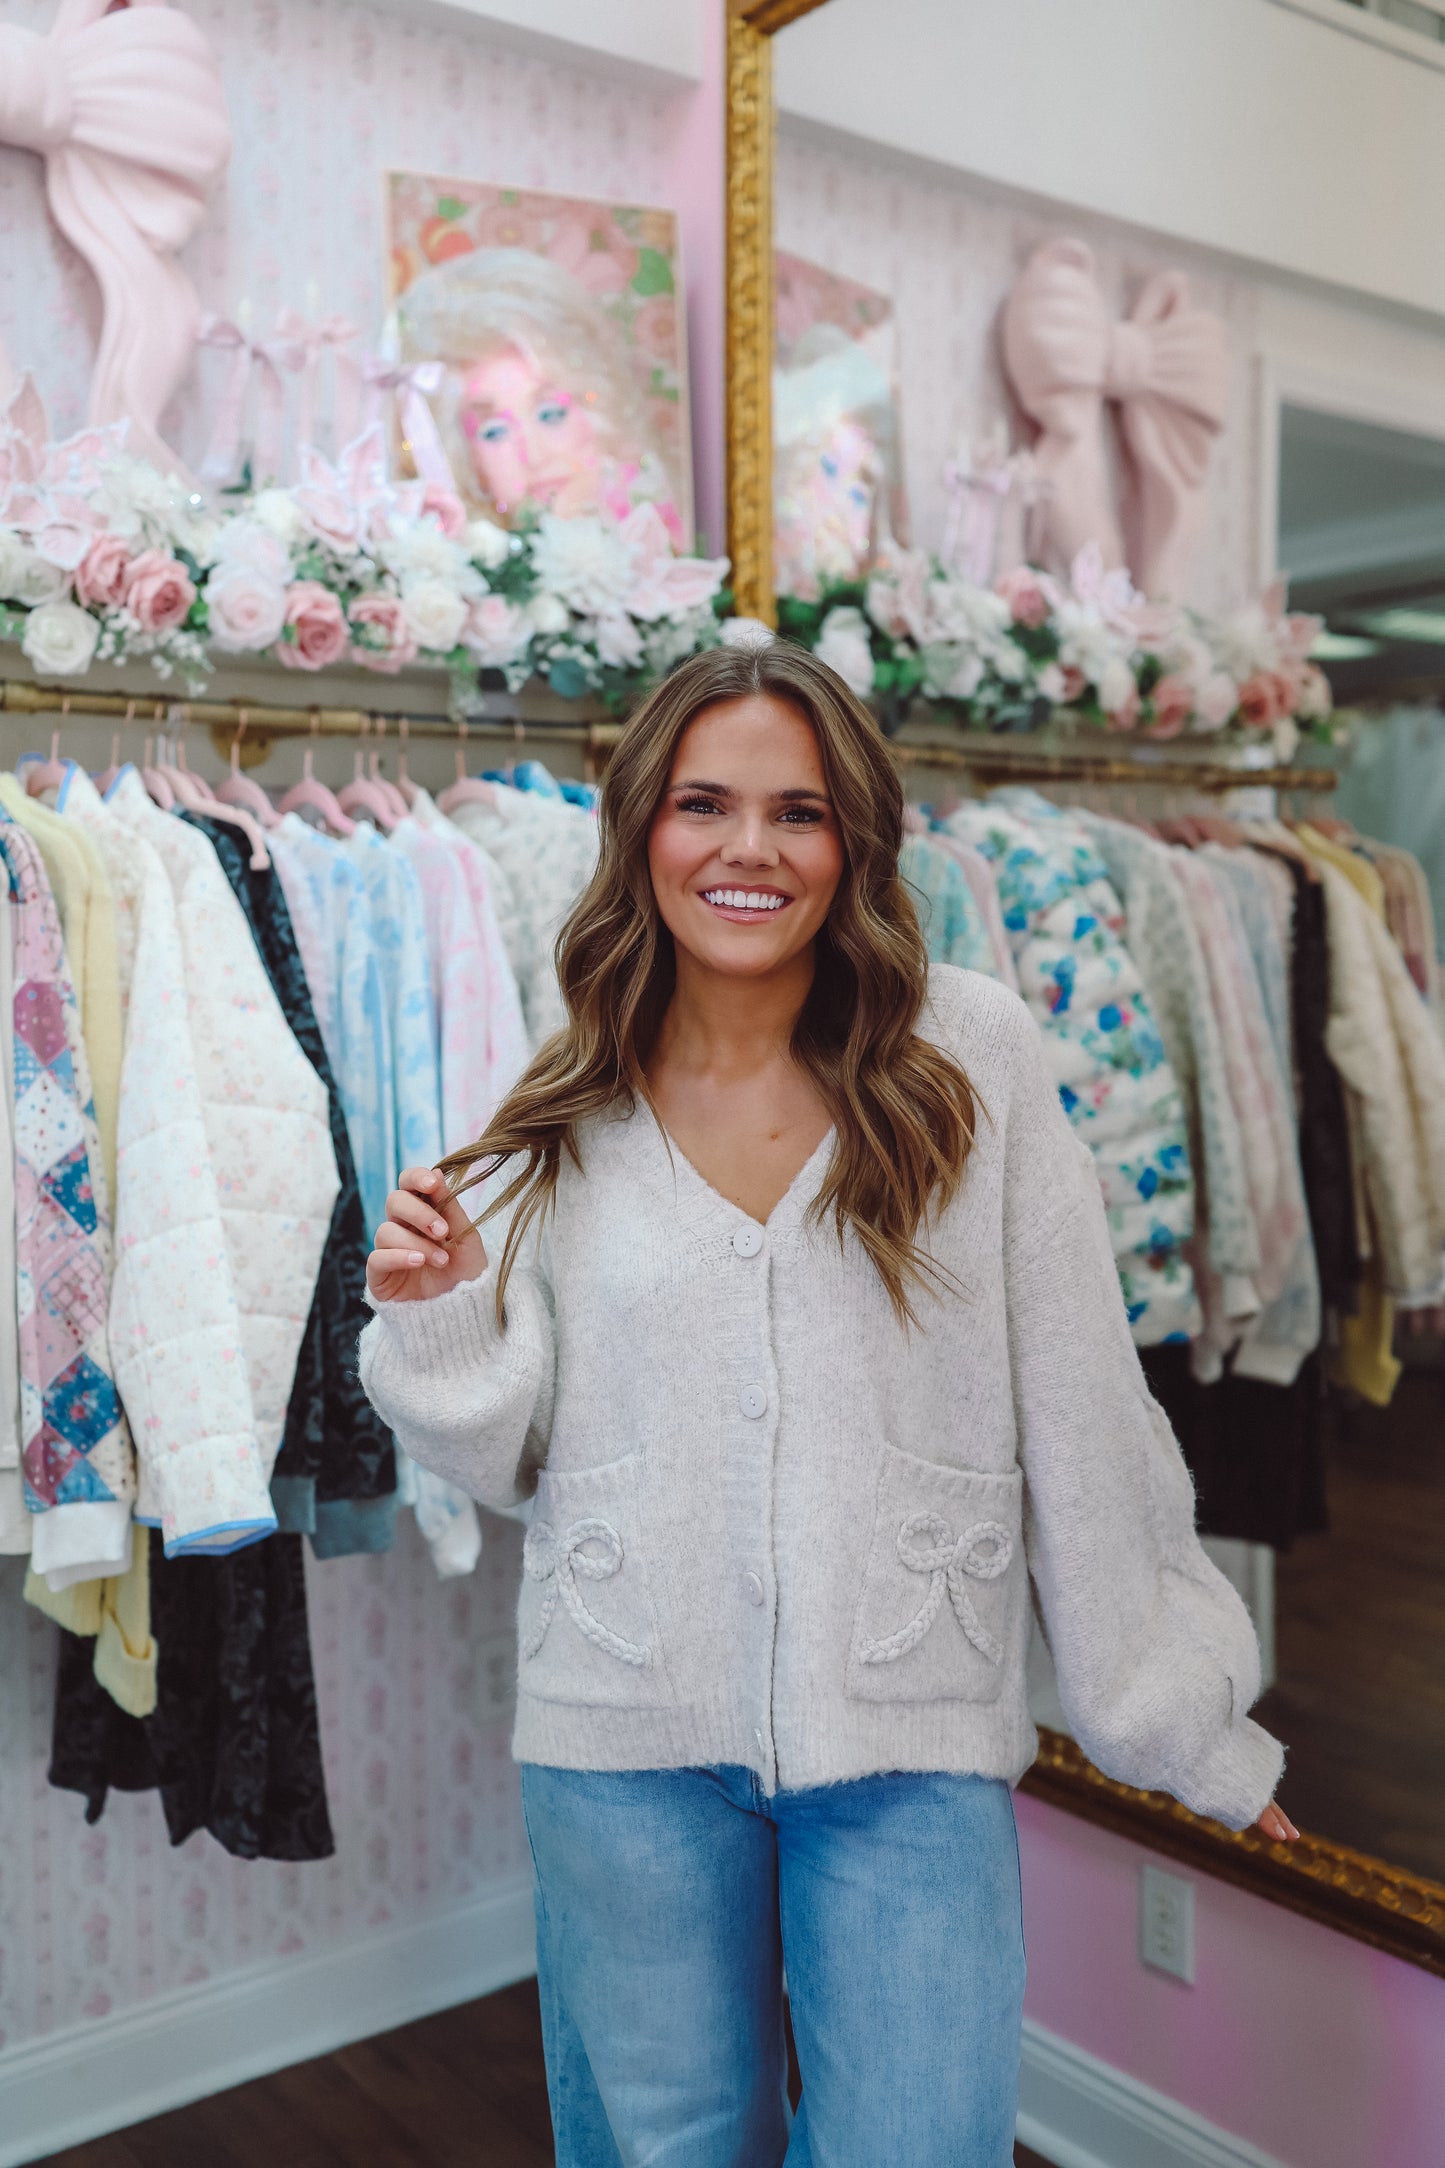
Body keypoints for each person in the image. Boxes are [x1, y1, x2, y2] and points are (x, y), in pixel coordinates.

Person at [358, 640, 1296, 2167]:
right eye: (702, 804)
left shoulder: (967, 1059)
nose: (747, 849)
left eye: (796, 811)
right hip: (620, 1743)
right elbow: (518, 1460)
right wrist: (440, 1316)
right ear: (639, 830)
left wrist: (1180, 1719)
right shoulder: (565, 1092)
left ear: (853, 838)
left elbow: (1085, 1408)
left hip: (910, 1736)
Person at [397, 244, 684, 539]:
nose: (535, 456)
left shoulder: (663, 547)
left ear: (598, 410)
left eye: (552, 414)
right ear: (468, 464)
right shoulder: (451, 574)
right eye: (495, 432)